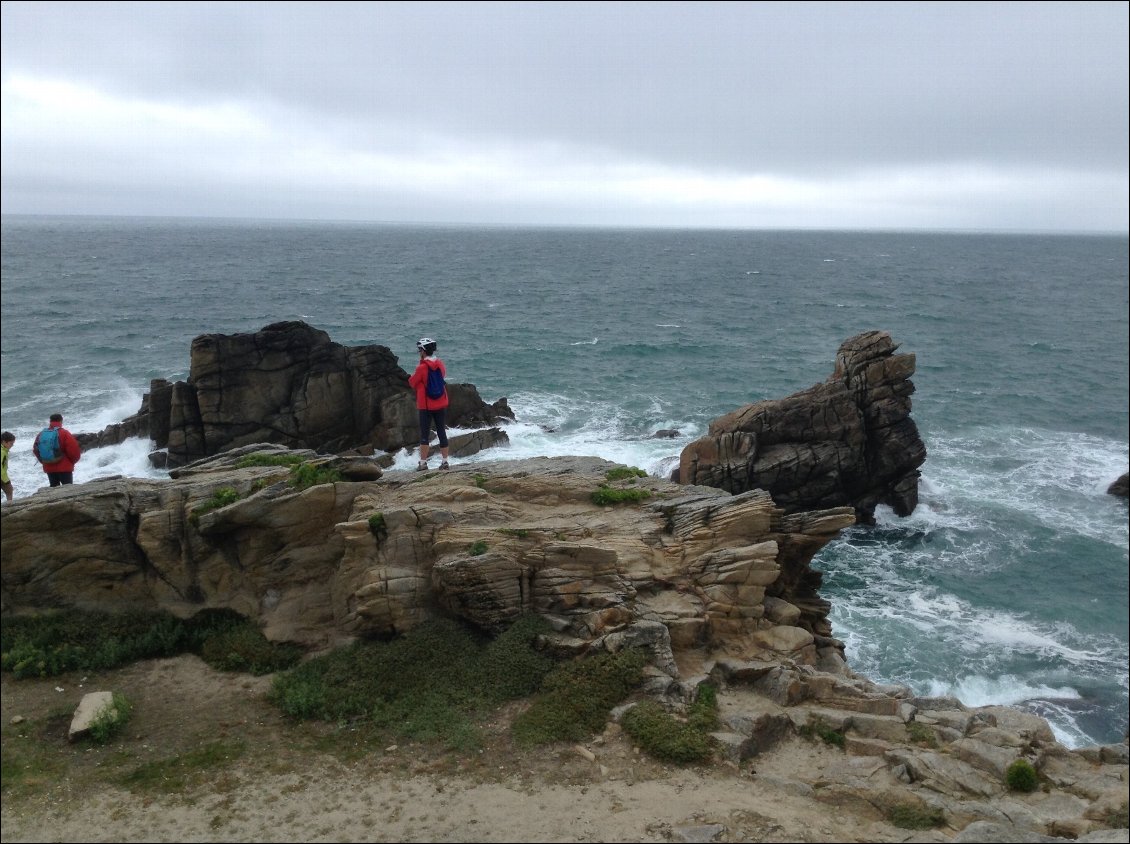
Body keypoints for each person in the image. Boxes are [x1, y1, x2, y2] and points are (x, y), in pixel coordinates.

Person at [407, 337, 450, 471]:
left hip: (426, 405)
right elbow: (442, 376)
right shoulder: (440, 364)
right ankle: (445, 462)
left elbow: (412, 382)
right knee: (441, 431)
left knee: (424, 434)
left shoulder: (421, 368)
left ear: (423, 351)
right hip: (441, 402)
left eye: (420, 350)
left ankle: (423, 463)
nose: (419, 352)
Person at [32, 413, 82, 487]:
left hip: (49, 467)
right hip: (65, 468)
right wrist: (72, 462)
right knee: (68, 490)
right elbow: (74, 451)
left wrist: (45, 461)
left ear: (50, 421)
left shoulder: (41, 434)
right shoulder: (64, 433)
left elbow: (35, 450)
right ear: (61, 421)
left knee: (54, 490)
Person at [1, 432, 14, 502]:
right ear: (4, 442)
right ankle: (9, 509)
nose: (12, 445)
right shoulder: (2, 452)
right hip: (2, 477)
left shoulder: (4, 450)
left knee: (9, 490)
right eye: (11, 443)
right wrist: (6, 480)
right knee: (9, 490)